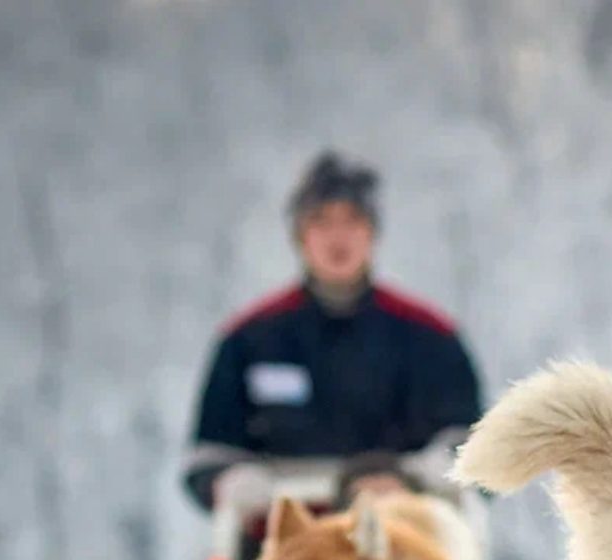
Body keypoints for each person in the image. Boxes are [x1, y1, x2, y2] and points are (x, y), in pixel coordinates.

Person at [183, 150, 482, 513]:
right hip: (285, 539)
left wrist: (435, 471)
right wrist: (232, 481)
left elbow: (478, 447)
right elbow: (208, 453)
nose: (337, 237)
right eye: (321, 221)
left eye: (352, 220)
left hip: (409, 537)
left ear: (372, 233)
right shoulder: (250, 341)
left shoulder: (430, 338)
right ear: (300, 236)